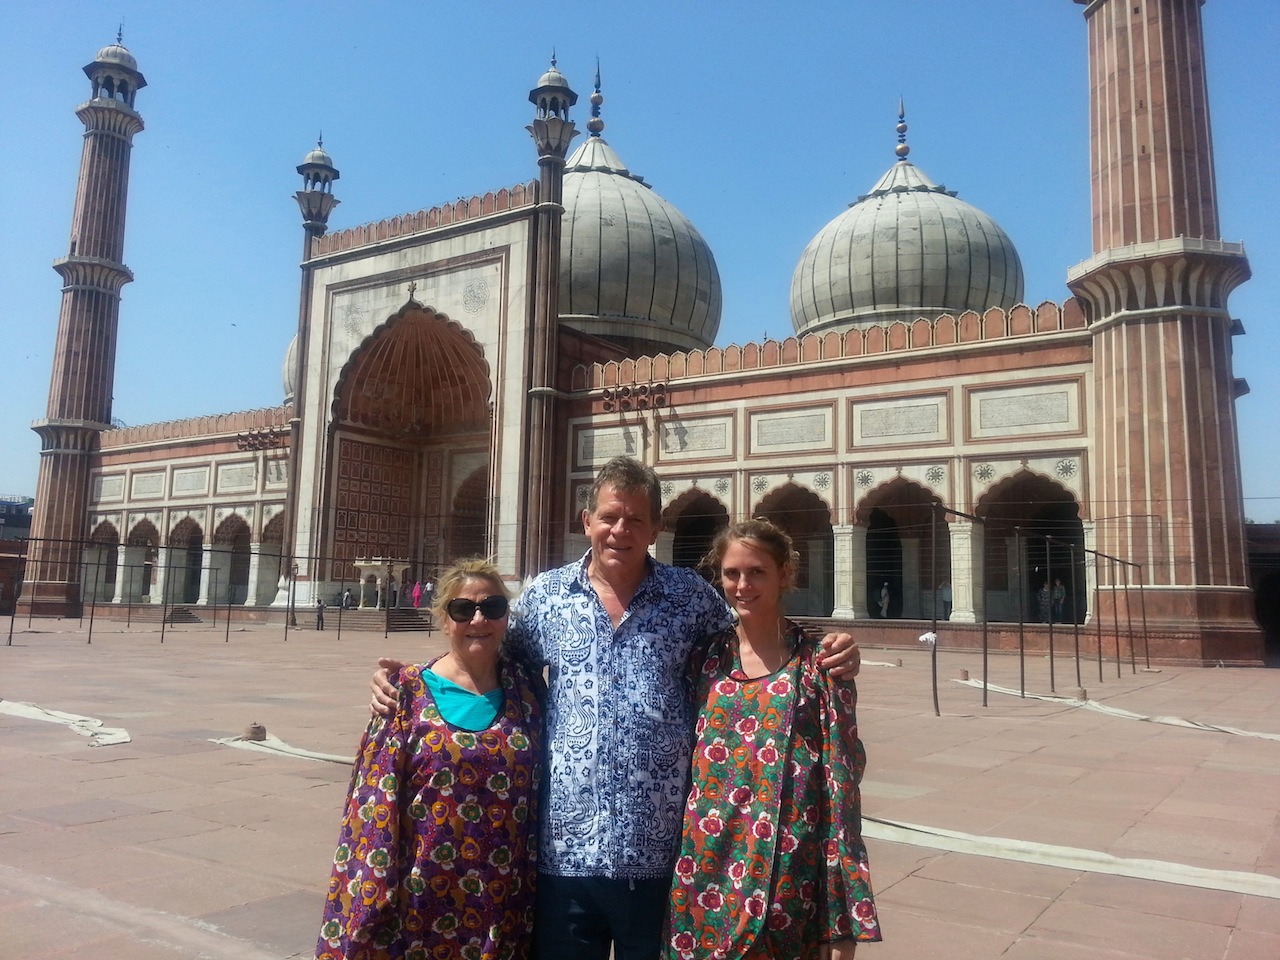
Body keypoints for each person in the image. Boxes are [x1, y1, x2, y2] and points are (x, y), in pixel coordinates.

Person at [371, 456, 860, 960]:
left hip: (660, 854)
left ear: (655, 527)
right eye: (609, 517)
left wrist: (827, 648)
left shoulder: (690, 597)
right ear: (587, 520)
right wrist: (415, 684)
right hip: (565, 854)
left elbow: (753, 639)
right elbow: (488, 660)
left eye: (635, 519)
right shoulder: (547, 597)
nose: (620, 530)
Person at [666, 519, 880, 958]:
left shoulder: (820, 668)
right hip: (704, 874)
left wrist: (841, 922)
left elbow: (841, 796)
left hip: (788, 881)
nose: (743, 585)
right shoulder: (703, 661)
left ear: (784, 574)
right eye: (732, 573)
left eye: (757, 572)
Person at [316, 559, 543, 960]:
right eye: (463, 609)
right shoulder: (406, 694)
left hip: (503, 897)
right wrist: (369, 899)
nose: (478, 620)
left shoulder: (526, 691)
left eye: (492, 608)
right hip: (422, 894)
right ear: (443, 617)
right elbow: (373, 808)